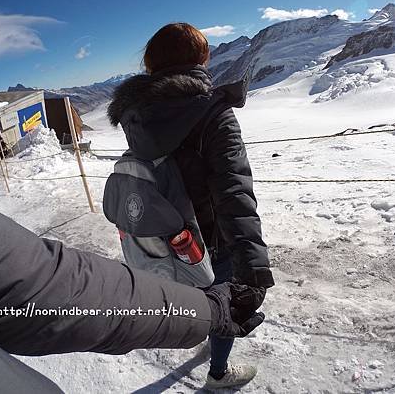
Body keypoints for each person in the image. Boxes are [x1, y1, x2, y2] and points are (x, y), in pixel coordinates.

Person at [0, 164, 264, 392]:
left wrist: (201, 311)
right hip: (211, 242)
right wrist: (209, 309)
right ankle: (218, 369)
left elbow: (36, 291)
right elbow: (42, 289)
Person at [108, 23, 275, 389]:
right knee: (226, 303)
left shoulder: (137, 116)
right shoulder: (212, 112)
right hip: (210, 237)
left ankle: (206, 333)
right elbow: (234, 192)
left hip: (168, 233)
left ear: (152, 65)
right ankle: (217, 372)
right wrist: (253, 267)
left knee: (194, 291)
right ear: (202, 58)